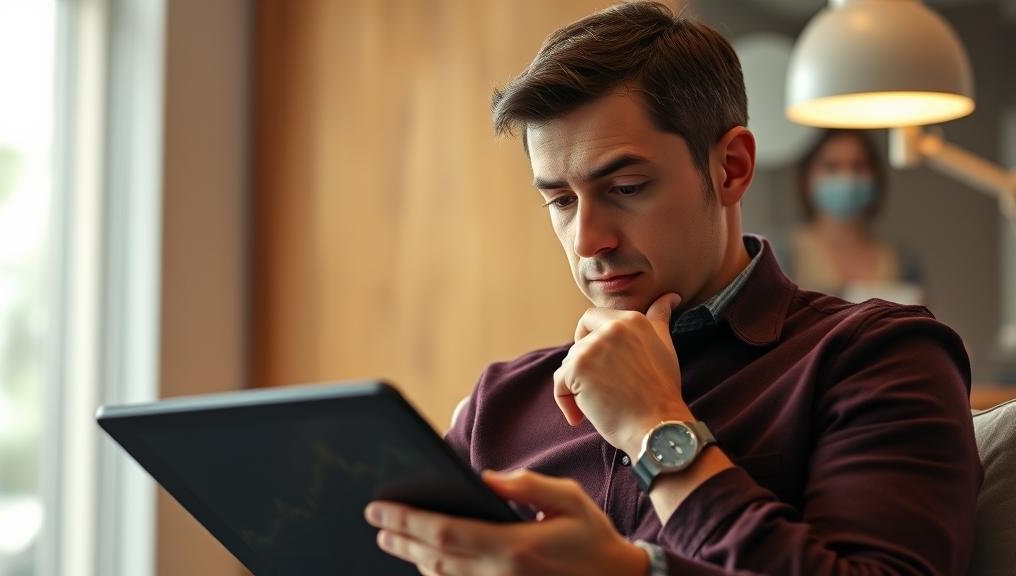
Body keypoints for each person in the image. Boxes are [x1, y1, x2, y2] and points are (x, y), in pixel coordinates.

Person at [363, 3, 980, 574]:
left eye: (626, 188)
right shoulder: (498, 405)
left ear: (731, 167)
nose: (586, 241)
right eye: (559, 200)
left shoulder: (876, 358)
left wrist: (655, 426)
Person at [786, 129, 924, 304]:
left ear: (875, 178)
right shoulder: (783, 256)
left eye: (858, 166)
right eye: (832, 167)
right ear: (807, 180)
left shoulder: (904, 262)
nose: (847, 177)